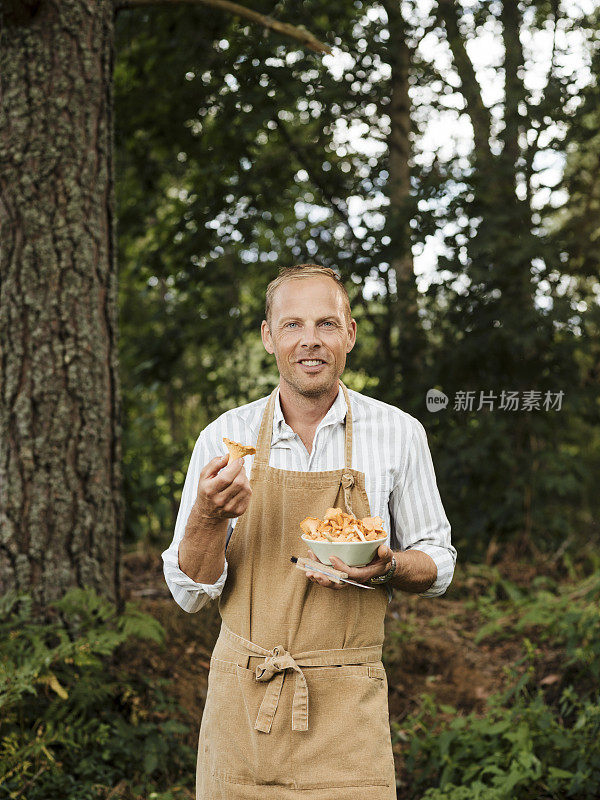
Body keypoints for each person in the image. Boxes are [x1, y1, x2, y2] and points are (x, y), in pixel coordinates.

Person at [162, 264, 457, 799]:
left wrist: (386, 565)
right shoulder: (223, 439)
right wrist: (209, 516)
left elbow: (437, 560)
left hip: (348, 710)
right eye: (293, 325)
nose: (310, 341)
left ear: (349, 333)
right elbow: (190, 593)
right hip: (243, 707)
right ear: (268, 336)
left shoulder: (399, 433)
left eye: (326, 323)